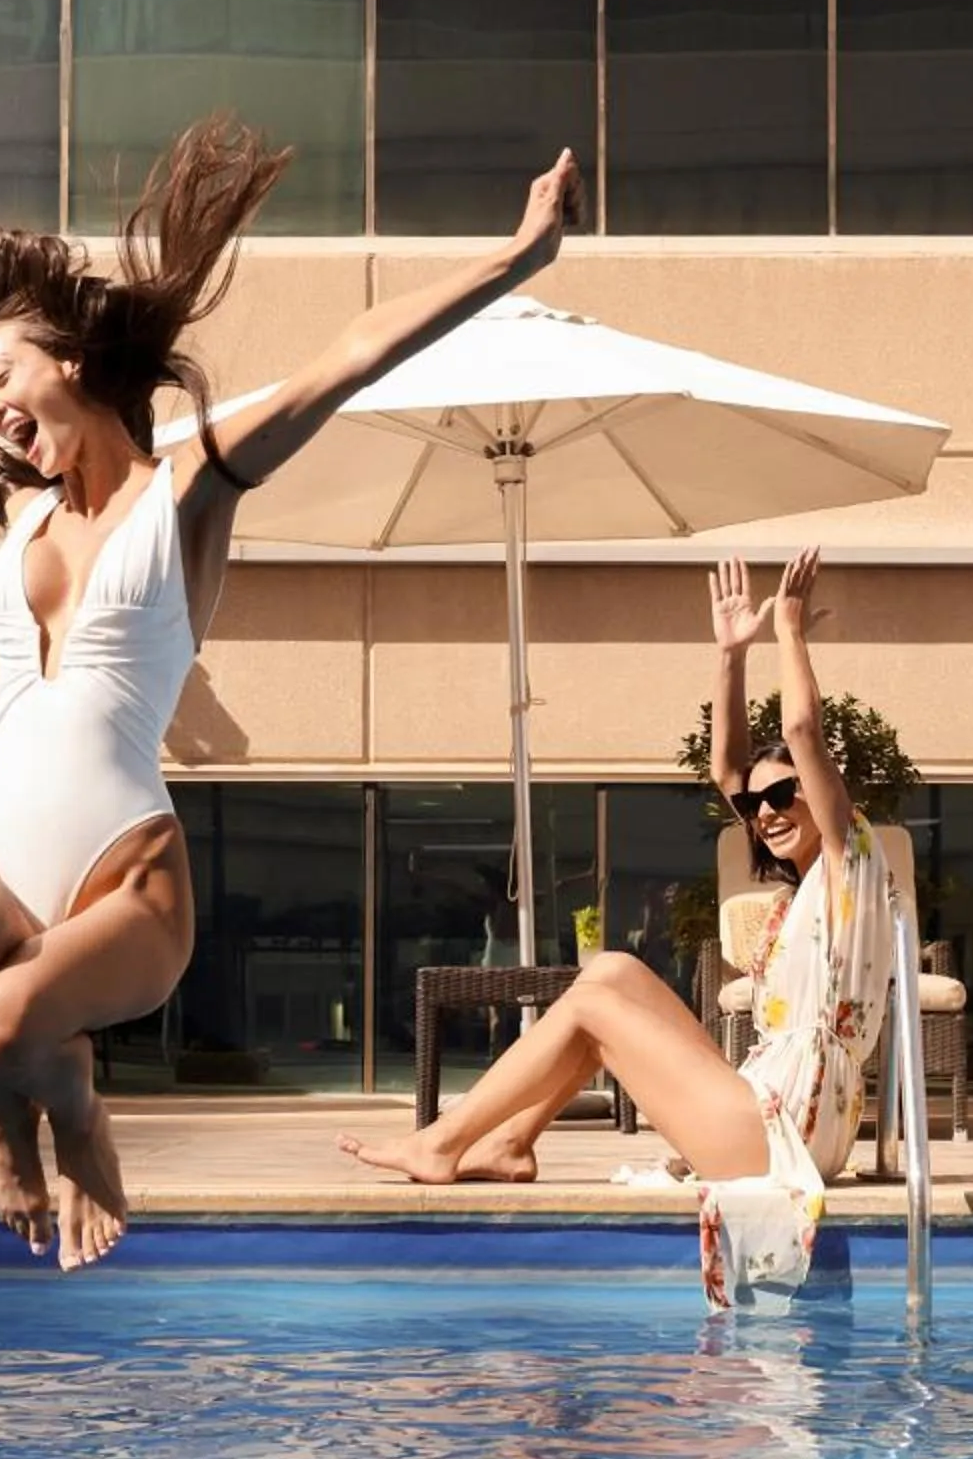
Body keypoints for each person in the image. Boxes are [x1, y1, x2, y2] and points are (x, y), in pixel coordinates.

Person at [0, 120, 584, 1272]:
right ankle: (16, 1126)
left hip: (123, 874)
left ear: (70, 358)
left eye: (2, 372)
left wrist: (516, 258)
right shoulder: (15, 504)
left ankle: (72, 1120)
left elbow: (352, 353)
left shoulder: (192, 488)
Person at [340, 551, 896, 1293]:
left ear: (819, 792)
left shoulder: (849, 857)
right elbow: (728, 771)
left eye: (785, 793)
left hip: (788, 1128)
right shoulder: (802, 895)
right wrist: (730, 657)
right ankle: (509, 1141)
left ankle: (442, 1141)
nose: (765, 811)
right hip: (764, 1106)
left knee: (598, 1005)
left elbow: (801, 728)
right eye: (757, 806)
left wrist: (788, 630)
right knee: (610, 972)